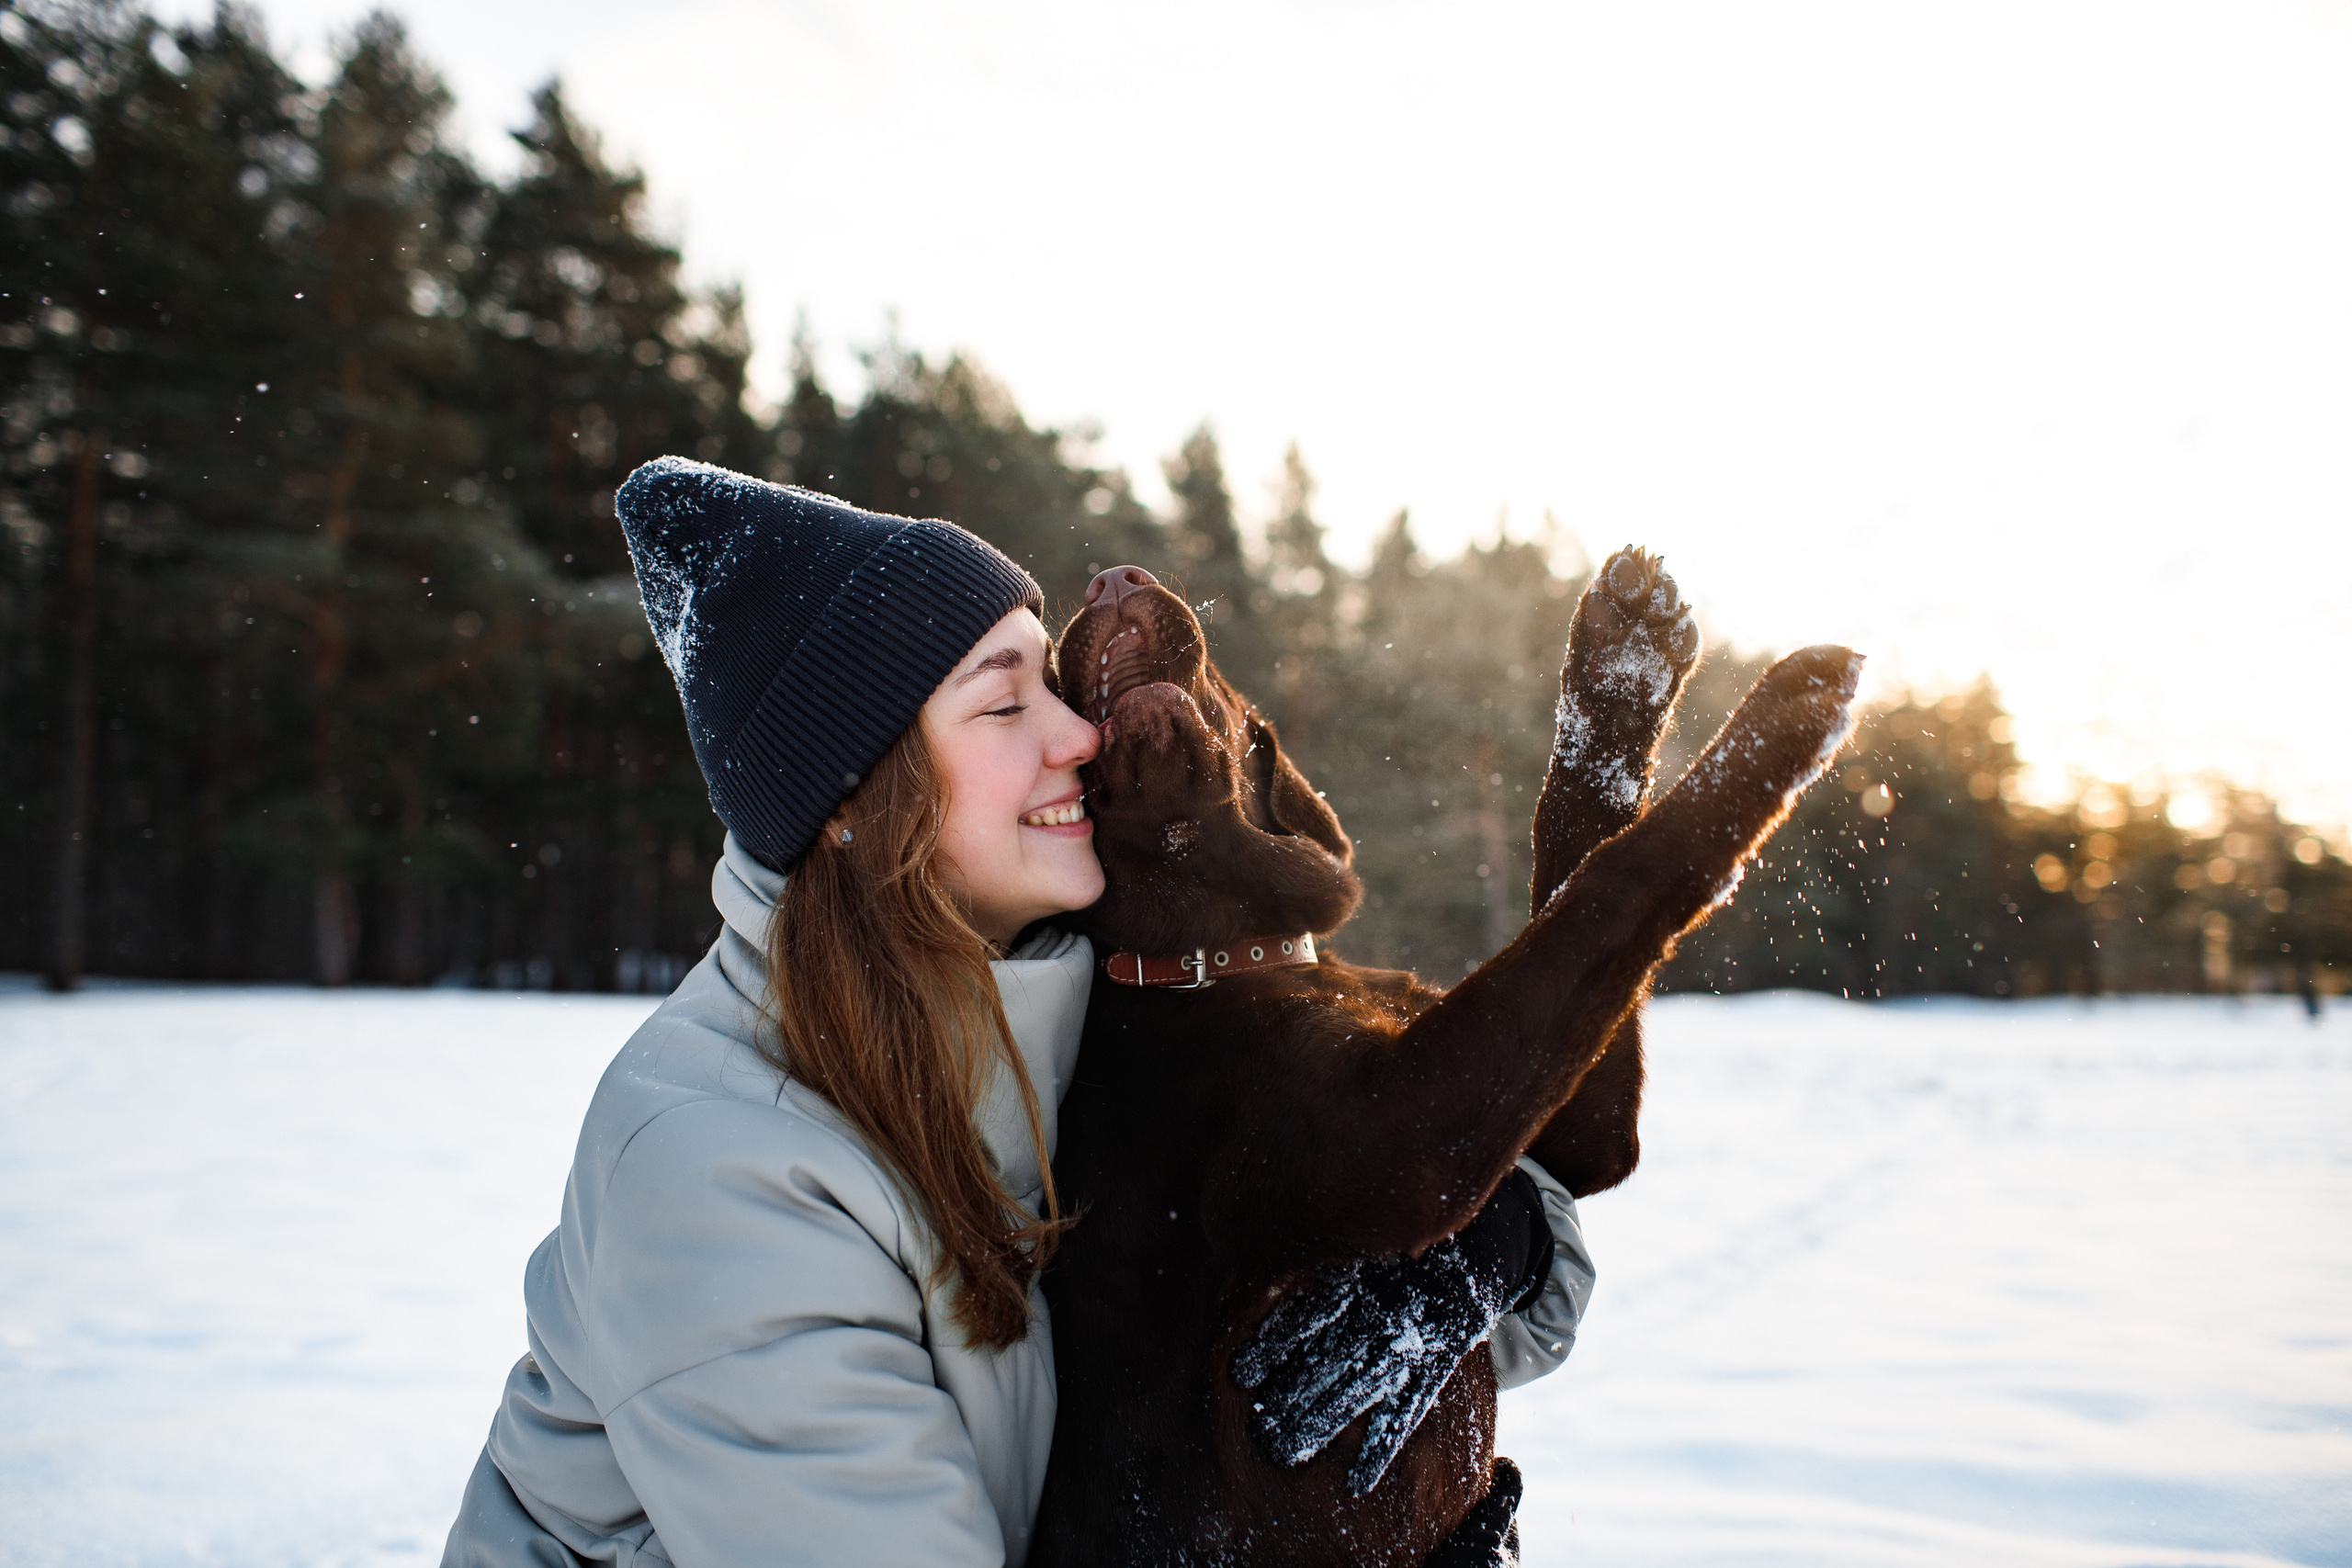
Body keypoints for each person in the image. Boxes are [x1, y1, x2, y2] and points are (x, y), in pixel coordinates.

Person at [442, 457, 1595, 1568]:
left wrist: (1486, 1247)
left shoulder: (1089, 985)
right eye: (1003, 707)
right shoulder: (722, 1172)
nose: (1077, 735)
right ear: (860, 801)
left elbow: (1399, 1253)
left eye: (1050, 682)